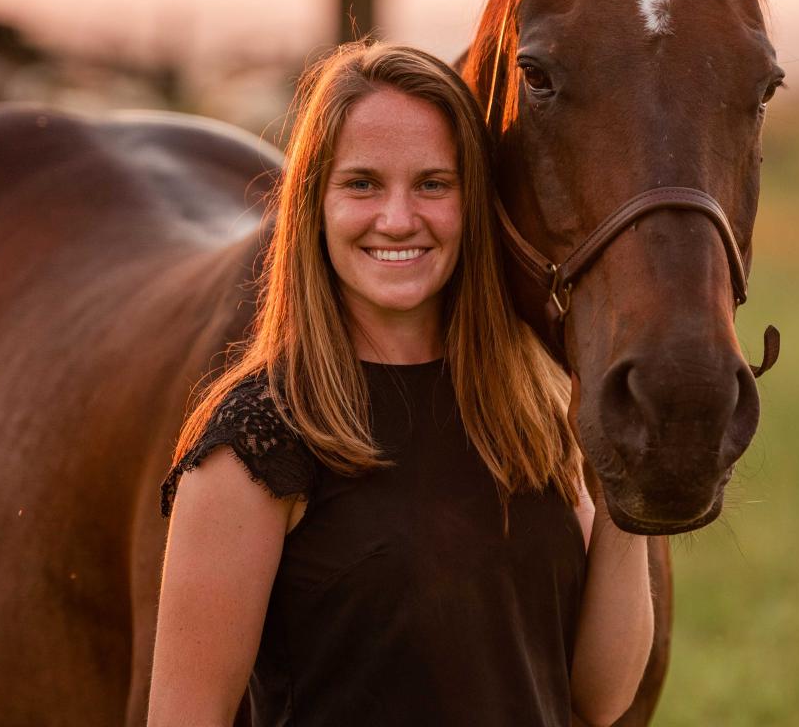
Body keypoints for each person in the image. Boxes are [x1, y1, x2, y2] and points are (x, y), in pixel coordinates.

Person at [148, 41, 653, 727]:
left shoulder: (535, 405)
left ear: (471, 200)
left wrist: (625, 490)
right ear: (314, 205)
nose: (397, 219)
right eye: (362, 184)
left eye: (432, 184)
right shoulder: (255, 445)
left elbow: (601, 696)